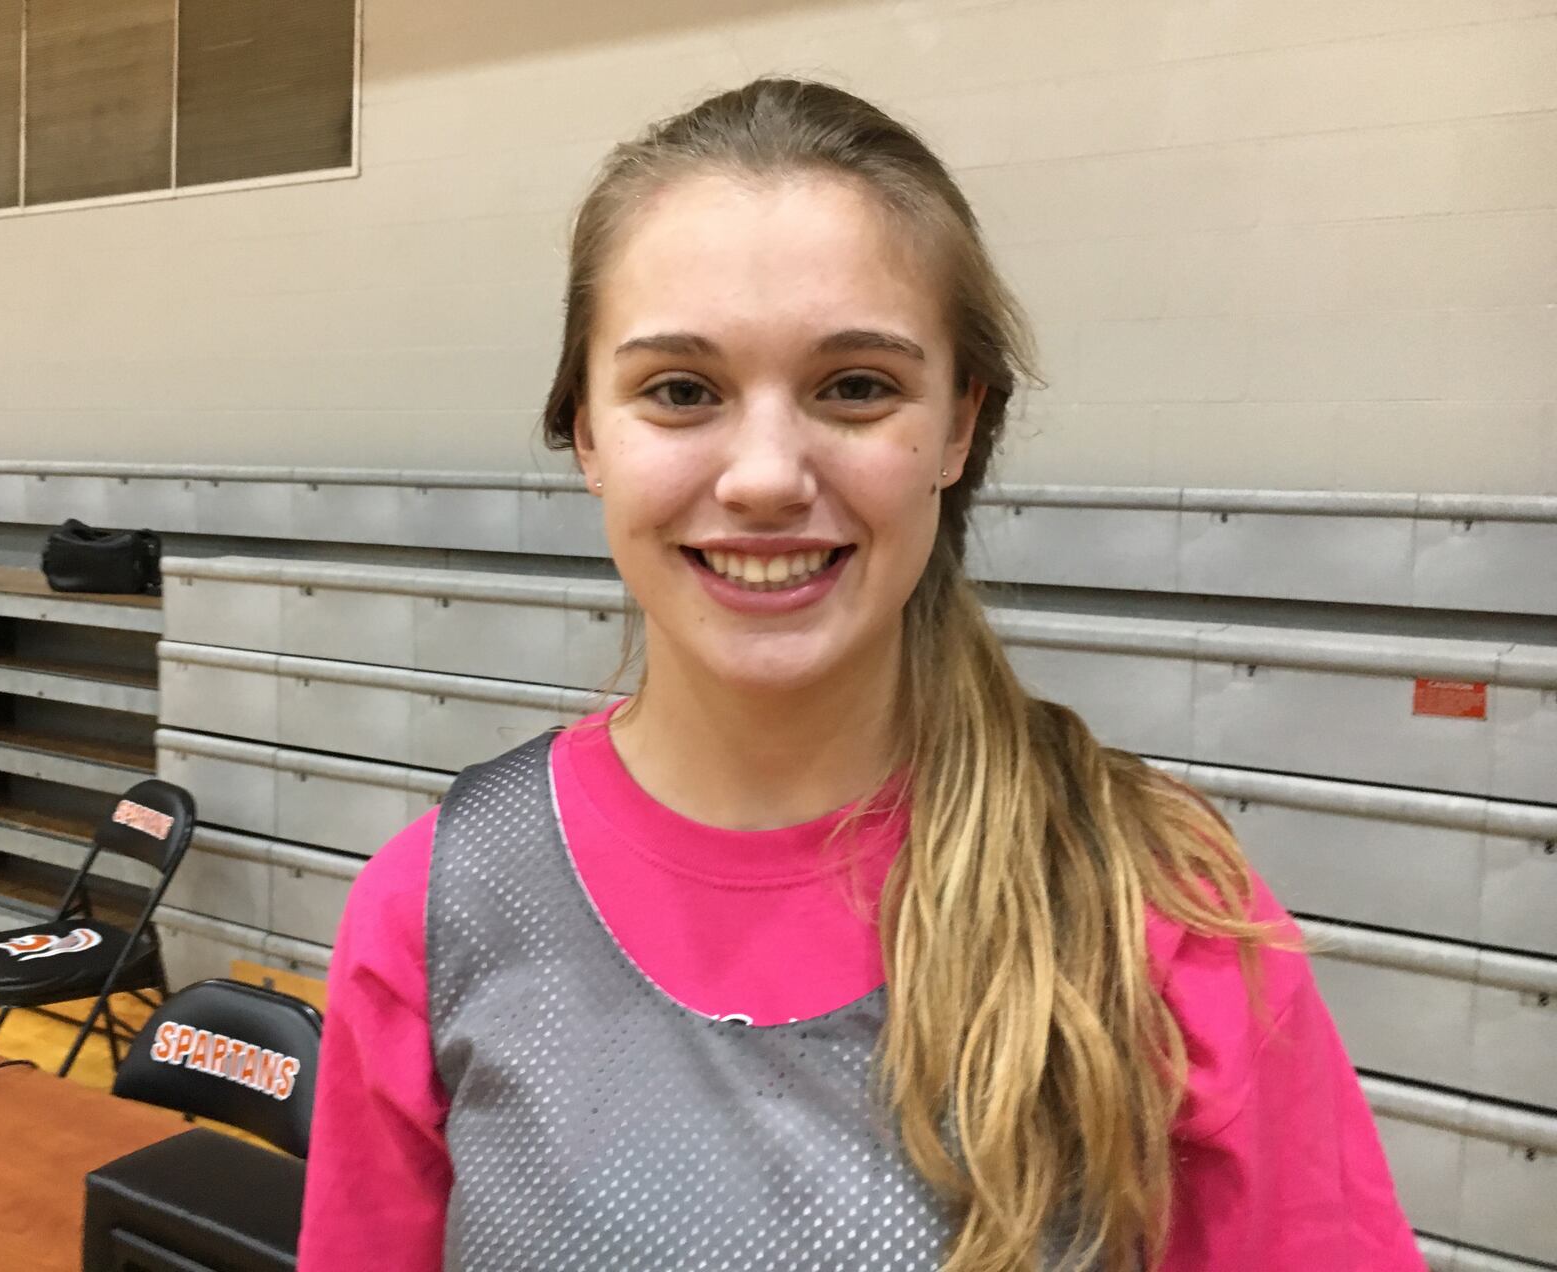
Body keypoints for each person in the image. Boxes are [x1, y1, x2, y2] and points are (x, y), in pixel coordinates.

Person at [298, 78, 1425, 1271]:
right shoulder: (436, 908)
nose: (766, 476)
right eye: (681, 390)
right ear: (586, 431)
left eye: (855, 387)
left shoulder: (1153, 906)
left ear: (955, 426)